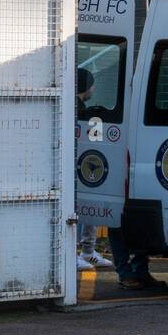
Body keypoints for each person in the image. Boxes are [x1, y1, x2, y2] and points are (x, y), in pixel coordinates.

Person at [75, 67, 115, 273]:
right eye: (92, 84)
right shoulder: (80, 110)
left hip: (83, 165)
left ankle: (88, 251)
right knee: (76, 209)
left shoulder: (84, 109)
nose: (94, 88)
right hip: (77, 167)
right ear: (86, 87)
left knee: (87, 205)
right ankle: (75, 252)